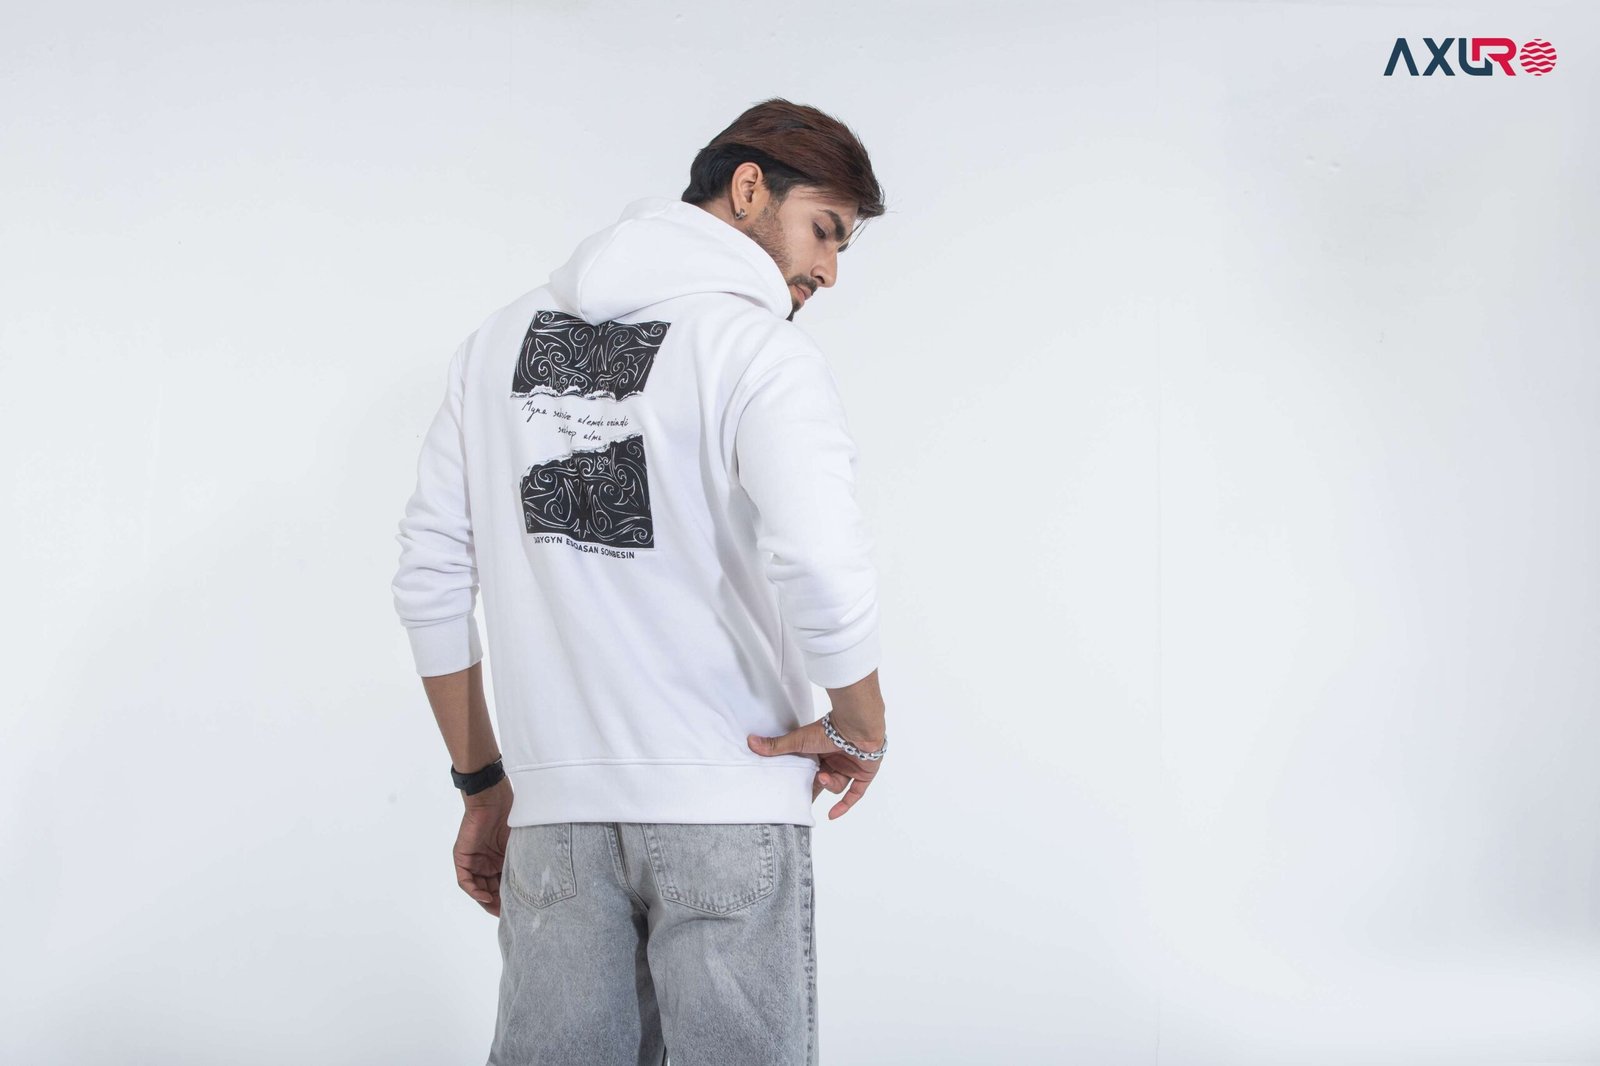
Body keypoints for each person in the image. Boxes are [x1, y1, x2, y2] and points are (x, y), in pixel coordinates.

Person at [389, 97, 890, 1065]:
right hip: (727, 802)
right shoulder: (757, 352)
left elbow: (431, 573)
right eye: (825, 230)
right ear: (750, 189)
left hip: (556, 819)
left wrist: (483, 785)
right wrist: (860, 725)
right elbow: (822, 562)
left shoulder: (496, 345)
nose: (828, 270)